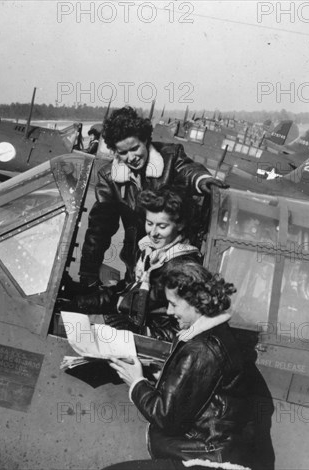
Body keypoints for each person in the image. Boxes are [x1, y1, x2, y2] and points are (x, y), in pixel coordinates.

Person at [106, 263, 269, 470]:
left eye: (173, 304)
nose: (168, 311)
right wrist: (163, 377)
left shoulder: (202, 348)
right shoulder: (217, 334)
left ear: (197, 302)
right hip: (217, 455)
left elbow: (167, 417)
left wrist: (136, 383)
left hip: (208, 461)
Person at [79, 106, 227, 288]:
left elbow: (188, 170)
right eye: (123, 153)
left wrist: (203, 180)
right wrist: (88, 273)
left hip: (175, 259)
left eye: (135, 148)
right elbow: (99, 229)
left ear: (145, 140)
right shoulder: (109, 177)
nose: (131, 157)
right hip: (137, 262)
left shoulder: (171, 156)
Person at [73, 186, 202, 341]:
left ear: (180, 225)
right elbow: (127, 291)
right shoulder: (150, 252)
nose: (153, 233)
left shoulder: (183, 269)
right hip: (130, 328)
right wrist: (83, 302)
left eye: (162, 226)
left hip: (149, 345)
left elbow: (184, 329)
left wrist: (142, 332)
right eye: (149, 223)